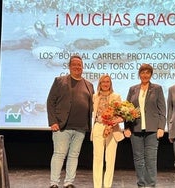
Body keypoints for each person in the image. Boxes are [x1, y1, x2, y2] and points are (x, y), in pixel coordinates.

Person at [47, 55, 94, 188]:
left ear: (83, 67)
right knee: (59, 154)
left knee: (74, 156)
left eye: (79, 65)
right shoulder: (59, 81)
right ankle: (54, 183)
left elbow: (93, 106)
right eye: (74, 64)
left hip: (81, 128)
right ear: (69, 66)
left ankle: (69, 182)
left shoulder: (89, 85)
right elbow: (50, 102)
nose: (77, 67)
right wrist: (53, 121)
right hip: (62, 126)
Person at [124, 63, 166, 187]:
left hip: (152, 129)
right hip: (135, 129)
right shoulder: (133, 89)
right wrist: (126, 127)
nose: (145, 75)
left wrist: (161, 127)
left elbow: (162, 109)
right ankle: (141, 184)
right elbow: (126, 109)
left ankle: (151, 184)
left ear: (151, 74)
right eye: (143, 72)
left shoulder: (157, 88)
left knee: (151, 159)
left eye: (148, 72)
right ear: (139, 74)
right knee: (138, 159)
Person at [91, 75, 125, 188]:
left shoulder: (116, 96)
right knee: (97, 158)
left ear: (110, 84)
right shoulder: (94, 96)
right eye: (103, 82)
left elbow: (121, 114)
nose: (105, 84)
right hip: (98, 126)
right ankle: (97, 186)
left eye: (107, 82)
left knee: (110, 159)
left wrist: (116, 121)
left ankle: (107, 185)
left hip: (112, 128)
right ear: (99, 84)